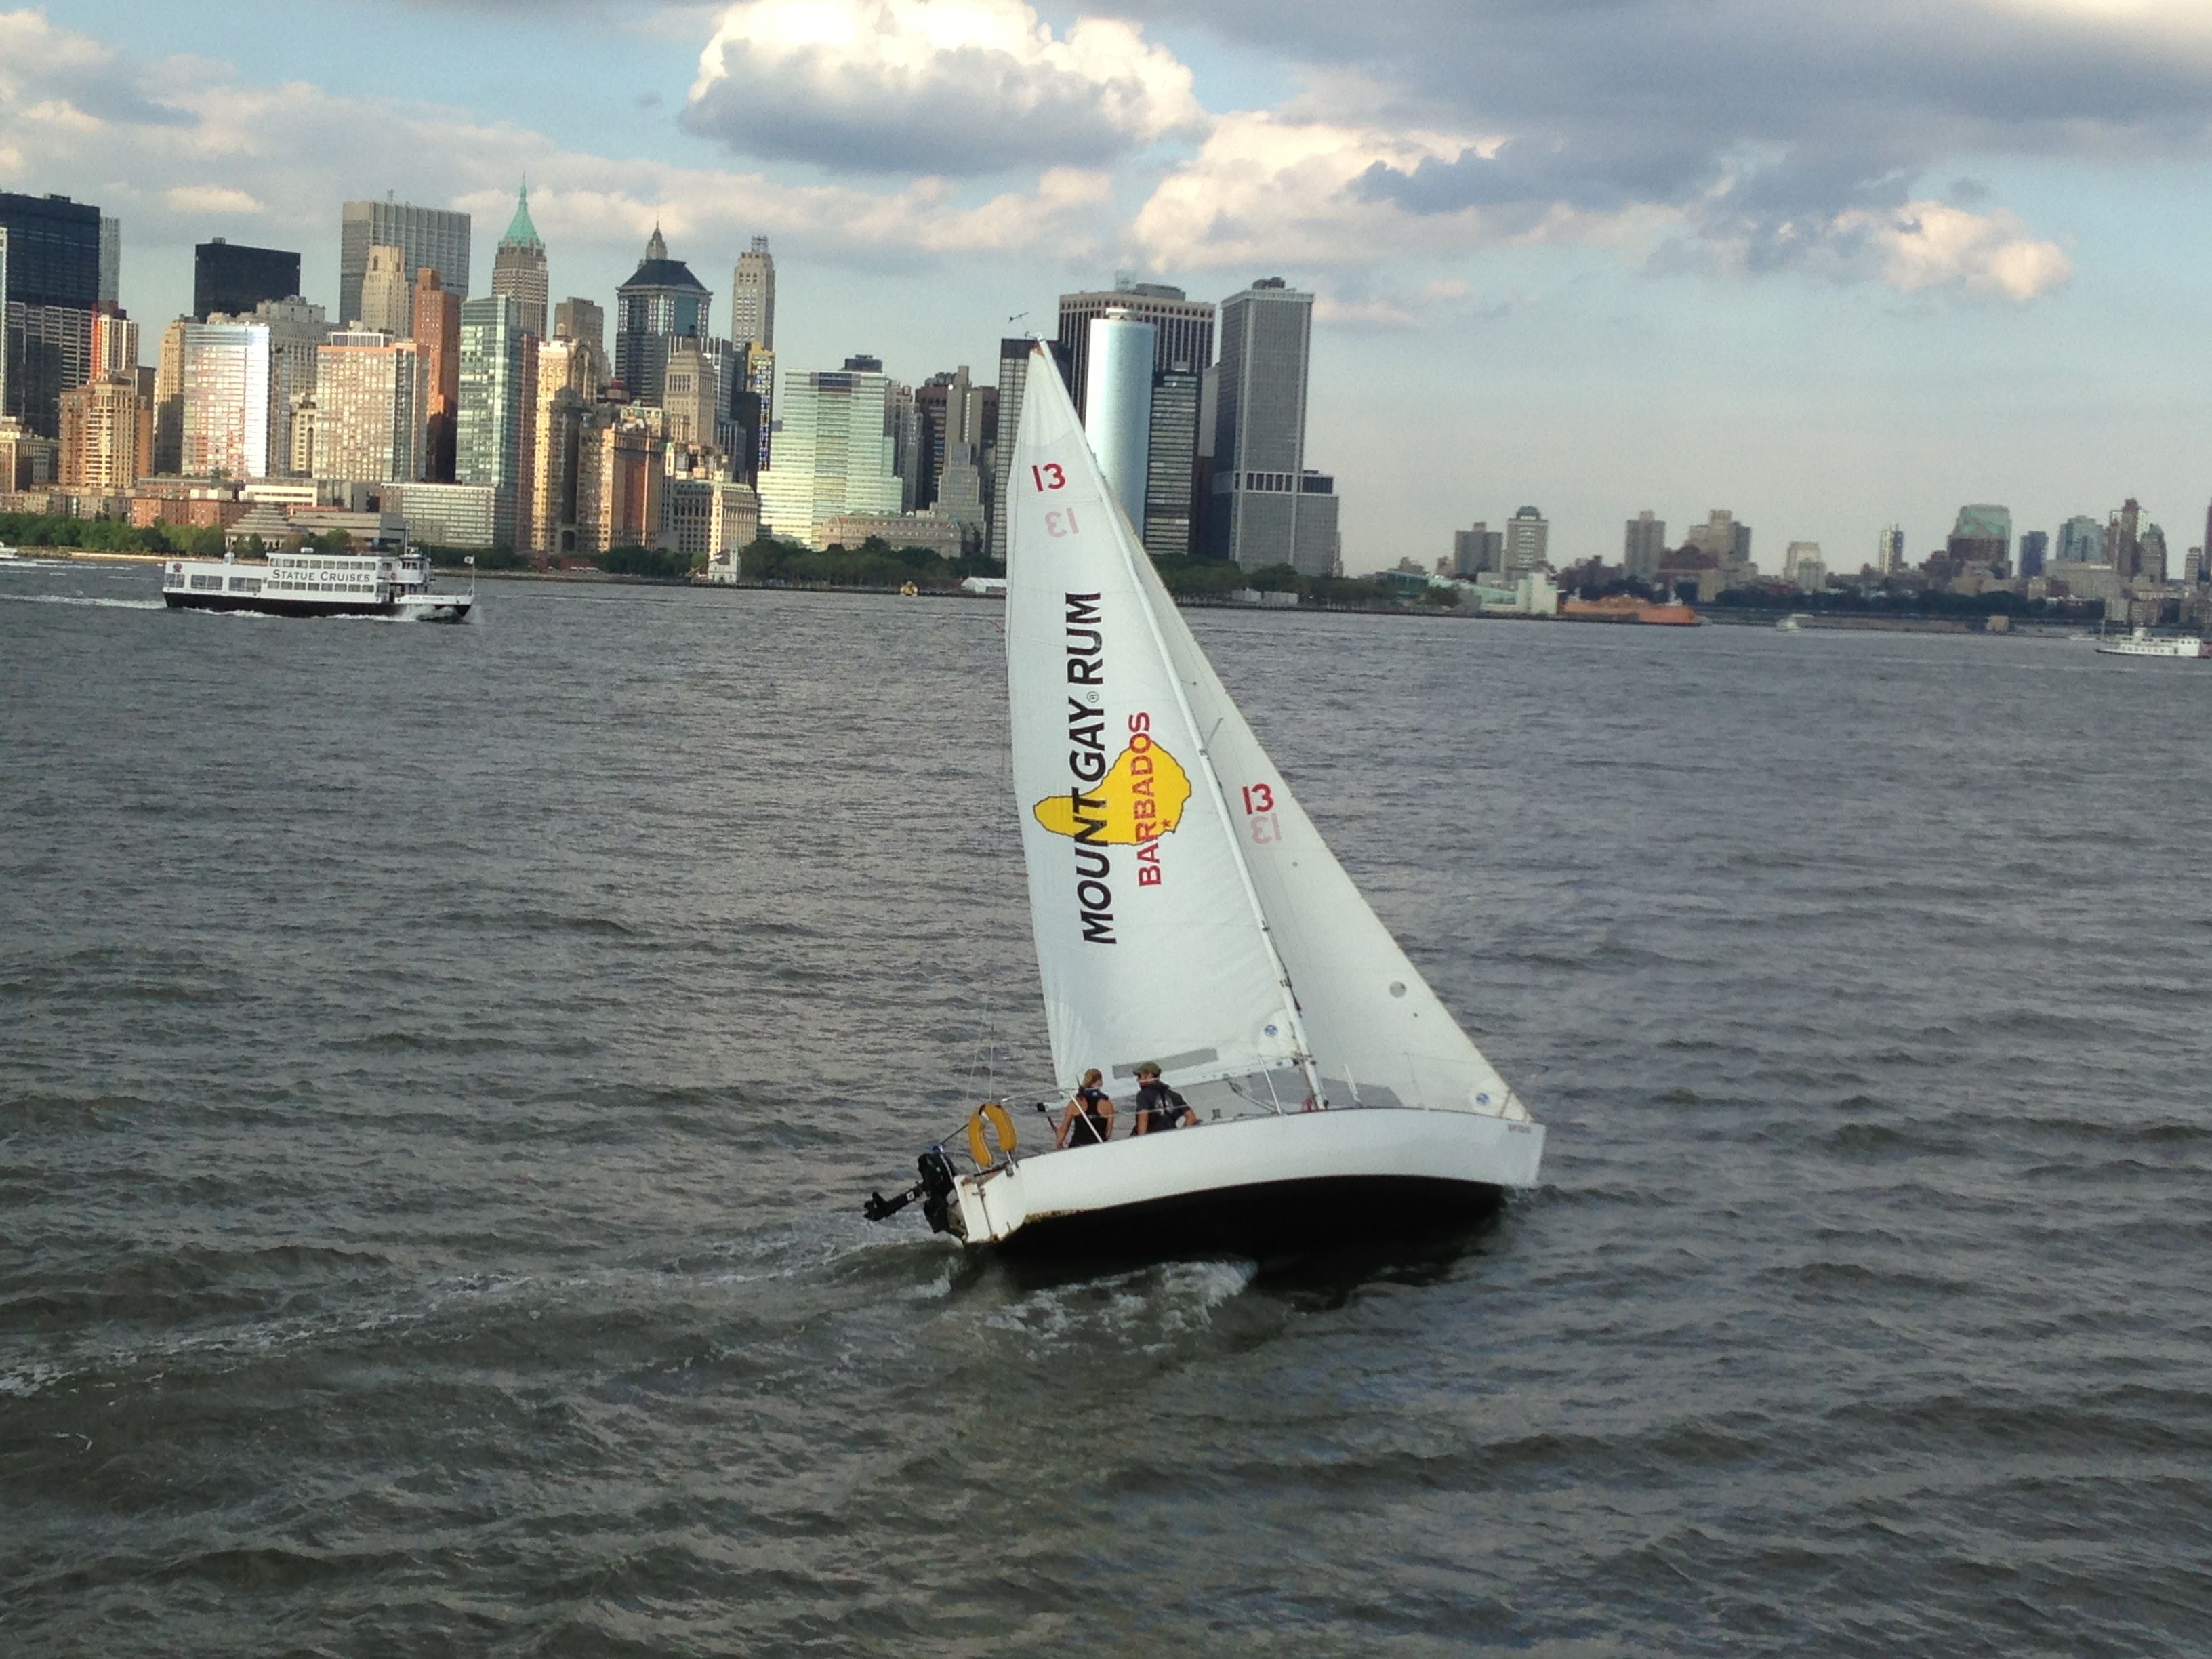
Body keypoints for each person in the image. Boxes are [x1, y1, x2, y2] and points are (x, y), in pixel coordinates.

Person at [1130, 1063, 1200, 1135]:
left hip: (1153, 1140)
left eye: (1139, 1076)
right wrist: (1181, 1134)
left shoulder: (1143, 1095)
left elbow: (1143, 1116)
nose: (1138, 1080)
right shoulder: (1174, 1095)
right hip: (1172, 1138)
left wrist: (1141, 1140)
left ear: (1149, 1075)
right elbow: (1191, 1118)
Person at [1056, 1069, 1114, 1148]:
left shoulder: (1075, 1103)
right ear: (1100, 1082)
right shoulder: (1108, 1104)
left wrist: (1059, 1143)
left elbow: (1064, 1129)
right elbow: (1108, 1134)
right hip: (1099, 1148)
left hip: (1077, 1147)